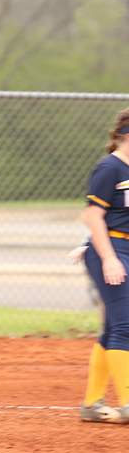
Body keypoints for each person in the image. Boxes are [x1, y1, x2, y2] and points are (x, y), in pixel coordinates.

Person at [79, 107, 129, 423]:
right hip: (111, 250)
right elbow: (92, 215)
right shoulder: (109, 168)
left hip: (124, 247)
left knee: (113, 327)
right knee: (125, 326)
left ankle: (92, 405)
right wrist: (107, 256)